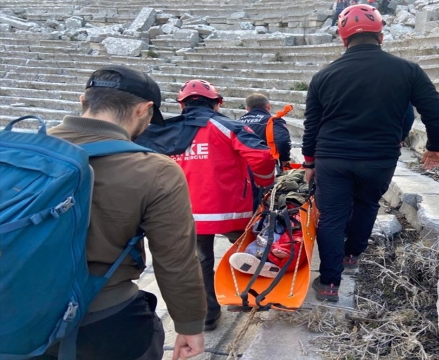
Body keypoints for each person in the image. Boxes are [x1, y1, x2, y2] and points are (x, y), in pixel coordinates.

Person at [41, 65, 207, 359]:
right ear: (144, 110)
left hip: (14, 311)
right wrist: (189, 325)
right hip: (103, 317)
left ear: (83, 101)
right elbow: (176, 260)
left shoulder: (20, 152)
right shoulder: (155, 170)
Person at [301, 4, 439, 302]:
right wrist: (435, 148)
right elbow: (436, 111)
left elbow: (312, 124)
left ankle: (329, 283)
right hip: (379, 157)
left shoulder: (323, 76)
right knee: (367, 203)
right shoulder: (407, 70)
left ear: (343, 40)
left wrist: (309, 161)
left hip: (333, 158)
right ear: (381, 36)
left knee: (331, 217)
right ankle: (352, 255)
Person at [135, 79, 276, 331]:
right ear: (217, 103)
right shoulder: (226, 125)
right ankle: (252, 297)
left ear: (182, 106)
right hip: (232, 211)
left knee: (201, 263)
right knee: (251, 252)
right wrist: (264, 181)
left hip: (187, 213)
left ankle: (208, 315)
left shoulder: (164, 131)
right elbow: (262, 156)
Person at [237, 93, 292, 206]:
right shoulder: (273, 121)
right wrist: (285, 159)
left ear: (247, 108)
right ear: (268, 106)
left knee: (246, 202)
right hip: (266, 170)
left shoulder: (235, 123)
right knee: (267, 203)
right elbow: (282, 141)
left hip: (241, 170)